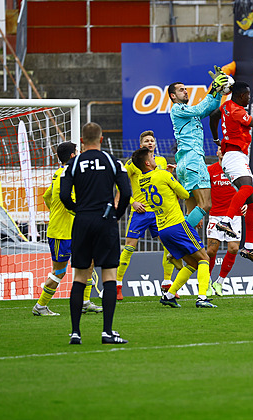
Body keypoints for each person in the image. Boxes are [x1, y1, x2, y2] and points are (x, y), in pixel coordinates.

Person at [60, 122, 131, 345]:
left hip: (82, 221)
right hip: (105, 220)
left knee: (80, 277)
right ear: (101, 139)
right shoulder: (112, 161)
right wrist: (116, 214)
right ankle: (107, 332)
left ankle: (75, 333)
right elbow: (126, 193)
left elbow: (63, 195)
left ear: (82, 141)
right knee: (109, 275)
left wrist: (77, 210)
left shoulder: (72, 164)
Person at [131, 146, 216, 308]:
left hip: (163, 230)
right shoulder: (163, 175)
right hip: (177, 225)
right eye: (152, 156)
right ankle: (202, 297)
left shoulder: (142, 181)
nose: (155, 158)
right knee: (204, 258)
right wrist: (175, 177)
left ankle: (169, 295)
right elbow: (184, 194)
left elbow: (166, 194)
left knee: (192, 264)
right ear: (148, 163)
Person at [209, 81, 253, 265]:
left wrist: (216, 137)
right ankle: (226, 221)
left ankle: (248, 246)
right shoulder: (238, 111)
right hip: (233, 156)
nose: (249, 98)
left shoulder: (226, 106)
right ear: (241, 95)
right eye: (248, 95)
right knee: (247, 188)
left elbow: (213, 116)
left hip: (238, 156)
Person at [32, 142, 103, 316]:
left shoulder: (61, 174)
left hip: (74, 231)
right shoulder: (66, 174)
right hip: (60, 232)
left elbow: (47, 196)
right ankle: (40, 306)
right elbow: (68, 201)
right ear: (72, 156)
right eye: (77, 152)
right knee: (59, 271)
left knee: (88, 263)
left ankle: (85, 302)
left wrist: (56, 211)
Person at [115, 130, 181, 300]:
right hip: (140, 212)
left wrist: (169, 174)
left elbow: (161, 182)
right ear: (141, 145)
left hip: (158, 212)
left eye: (152, 140)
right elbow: (120, 185)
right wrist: (132, 202)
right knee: (129, 247)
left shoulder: (160, 161)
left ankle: (167, 284)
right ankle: (117, 285)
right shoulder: (132, 163)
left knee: (169, 246)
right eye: (146, 141)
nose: (150, 143)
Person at [169, 66, 228, 230]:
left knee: (193, 211)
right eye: (181, 90)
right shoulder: (177, 109)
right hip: (193, 160)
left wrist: (219, 92)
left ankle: (183, 249)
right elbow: (200, 108)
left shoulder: (188, 112)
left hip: (186, 163)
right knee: (206, 204)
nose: (185, 92)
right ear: (173, 96)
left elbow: (210, 108)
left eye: (186, 89)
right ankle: (178, 235)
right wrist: (213, 89)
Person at [205, 147, 246, 297]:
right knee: (211, 251)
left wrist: (245, 202)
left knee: (234, 248)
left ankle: (219, 282)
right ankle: (207, 282)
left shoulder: (237, 169)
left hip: (234, 215)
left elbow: (245, 188)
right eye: (220, 149)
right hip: (216, 215)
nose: (223, 151)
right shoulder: (210, 170)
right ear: (217, 153)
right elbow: (203, 191)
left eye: (226, 149)